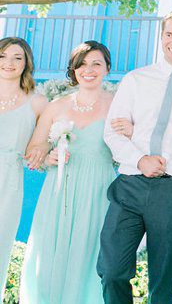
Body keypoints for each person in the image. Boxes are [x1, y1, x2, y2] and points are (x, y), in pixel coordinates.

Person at [98, 10, 172, 304]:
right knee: (112, 269)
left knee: (162, 277)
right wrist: (141, 160)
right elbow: (112, 133)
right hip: (131, 184)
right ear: (161, 36)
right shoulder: (135, 80)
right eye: (169, 34)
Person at [19, 41, 117, 304]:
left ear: (107, 68)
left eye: (97, 63)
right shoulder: (56, 106)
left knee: (90, 254)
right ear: (73, 70)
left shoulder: (117, 105)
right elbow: (34, 149)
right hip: (59, 191)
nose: (89, 69)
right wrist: (48, 156)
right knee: (50, 252)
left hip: (98, 190)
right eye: (82, 64)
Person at [0, 37, 47, 301]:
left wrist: (45, 152)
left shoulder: (37, 102)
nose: (9, 63)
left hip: (8, 182)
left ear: (26, 63)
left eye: (17, 57)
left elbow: (40, 146)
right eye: (3, 56)